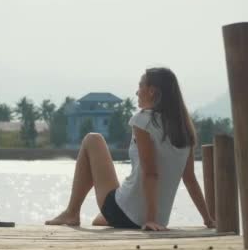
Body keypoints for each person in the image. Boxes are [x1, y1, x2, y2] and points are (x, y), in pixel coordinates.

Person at [45, 67, 215, 231]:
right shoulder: (183, 128)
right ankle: (95, 215)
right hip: (159, 218)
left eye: (140, 86)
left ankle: (71, 212)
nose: (136, 92)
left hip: (132, 214)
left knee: (92, 139)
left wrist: (150, 219)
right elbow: (190, 179)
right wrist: (207, 219)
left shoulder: (143, 121)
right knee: (99, 220)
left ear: (152, 91)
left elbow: (150, 173)